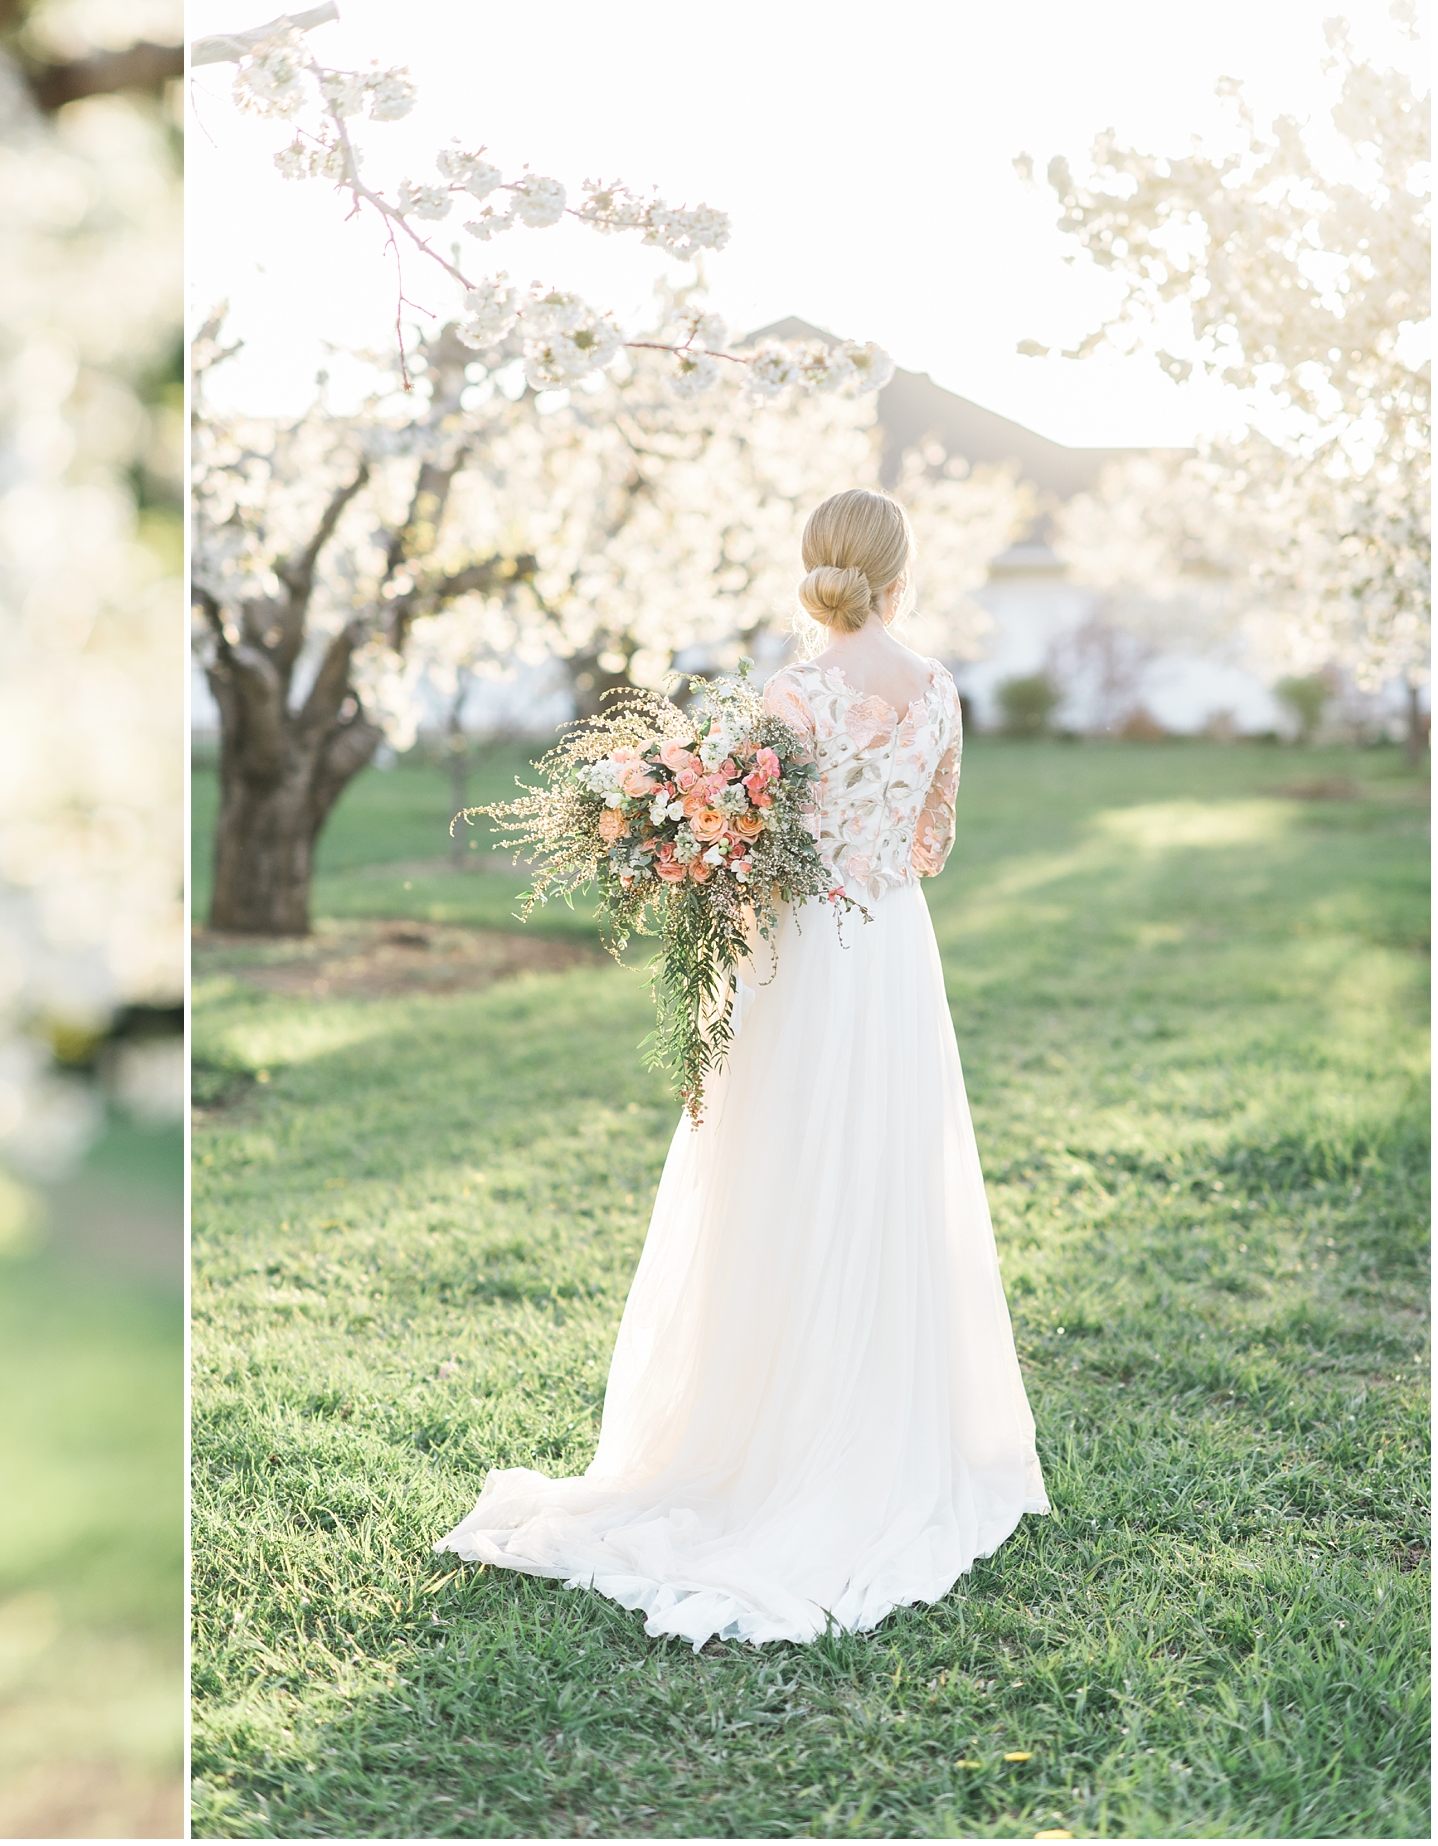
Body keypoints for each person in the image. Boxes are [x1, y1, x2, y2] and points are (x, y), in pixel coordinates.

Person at [437, 487, 1047, 1649]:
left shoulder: (782, 697)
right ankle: (877, 1422)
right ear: (902, 572)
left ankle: (761, 1431)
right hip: (890, 956)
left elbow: (748, 866)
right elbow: (933, 843)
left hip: (794, 962)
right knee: (884, 1175)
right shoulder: (936, 690)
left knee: (773, 1181)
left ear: (811, 570)